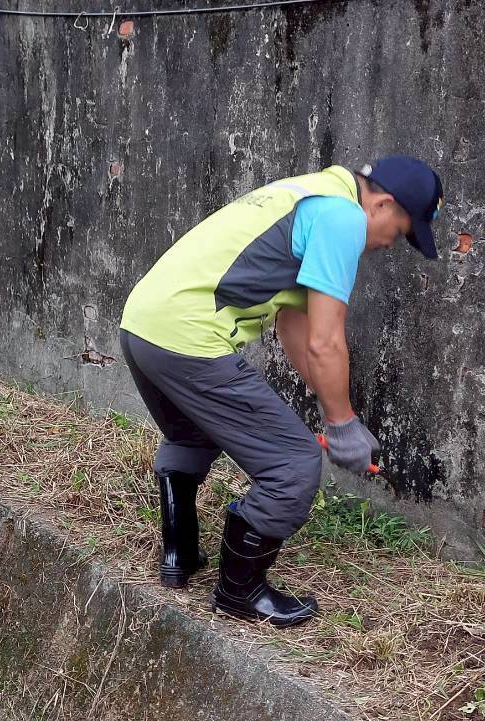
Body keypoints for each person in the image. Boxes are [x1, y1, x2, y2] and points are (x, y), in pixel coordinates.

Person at [119, 156, 444, 627]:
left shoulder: (309, 193)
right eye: (398, 232)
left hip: (143, 327)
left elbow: (296, 328)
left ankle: (179, 553)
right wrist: (342, 424)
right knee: (292, 465)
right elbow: (327, 340)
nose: (389, 244)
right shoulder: (343, 218)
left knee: (192, 433)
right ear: (384, 203)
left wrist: (334, 410)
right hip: (187, 338)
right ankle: (239, 591)